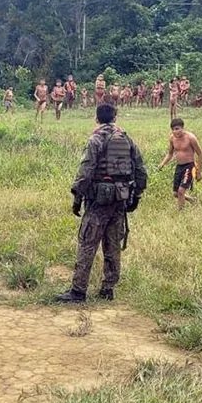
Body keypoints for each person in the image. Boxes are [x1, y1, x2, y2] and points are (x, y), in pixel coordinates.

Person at [57, 104, 147, 303]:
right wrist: (136, 196)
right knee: (112, 245)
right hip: (120, 200)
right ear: (115, 117)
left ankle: (78, 291)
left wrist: (77, 196)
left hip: (98, 202)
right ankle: (108, 289)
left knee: (87, 244)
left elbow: (86, 171)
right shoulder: (126, 138)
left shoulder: (95, 139)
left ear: (96, 118)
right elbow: (140, 170)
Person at [158, 118, 202, 210]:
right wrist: (162, 164)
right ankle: (192, 200)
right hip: (179, 167)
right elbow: (170, 153)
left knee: (181, 191)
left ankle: (181, 212)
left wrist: (199, 171)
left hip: (189, 166)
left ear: (183, 128)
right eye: (173, 129)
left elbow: (200, 154)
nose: (175, 132)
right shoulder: (172, 138)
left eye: (177, 129)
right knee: (176, 193)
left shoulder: (191, 138)